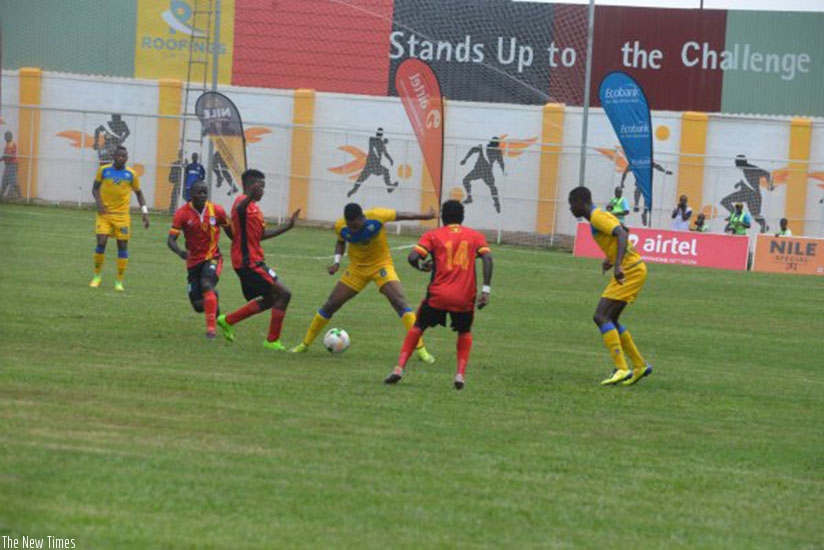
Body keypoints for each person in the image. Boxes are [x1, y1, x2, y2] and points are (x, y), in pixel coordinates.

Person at [290, 203, 437, 363]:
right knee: (331, 304)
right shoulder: (341, 225)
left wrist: (426, 216)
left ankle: (421, 350)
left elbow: (403, 214)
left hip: (381, 266)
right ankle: (304, 344)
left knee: (400, 303)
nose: (353, 230)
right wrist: (337, 262)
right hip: (357, 270)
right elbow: (340, 242)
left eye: (356, 226)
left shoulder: (377, 215)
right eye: (350, 226)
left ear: (363, 218)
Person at [384, 200, 493, 390]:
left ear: (443, 217)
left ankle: (399, 367)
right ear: (462, 217)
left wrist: (421, 266)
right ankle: (459, 374)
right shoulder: (475, 236)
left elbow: (412, 257)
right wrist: (485, 290)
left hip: (438, 294)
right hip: (464, 297)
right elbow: (488, 258)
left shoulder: (433, 235)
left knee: (418, 326)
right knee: (464, 331)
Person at [568, 186, 652, 387]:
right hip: (634, 268)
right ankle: (639, 365)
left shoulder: (597, 217)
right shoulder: (600, 216)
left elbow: (622, 236)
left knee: (600, 316)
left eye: (572, 204)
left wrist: (618, 264)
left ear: (581, 202)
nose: (570, 209)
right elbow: (624, 230)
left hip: (630, 270)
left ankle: (622, 368)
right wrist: (611, 257)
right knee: (611, 318)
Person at [215, 169, 300, 350]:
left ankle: (228, 320)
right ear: (251, 186)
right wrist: (249, 197)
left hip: (255, 260)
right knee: (285, 294)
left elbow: (261, 235)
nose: (263, 191)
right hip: (248, 262)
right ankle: (271, 341)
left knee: (272, 299)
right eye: (261, 187)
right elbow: (239, 210)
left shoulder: (255, 209)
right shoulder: (241, 203)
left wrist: (288, 226)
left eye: (264, 187)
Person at [167, 181, 233, 339]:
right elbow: (170, 240)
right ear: (191, 194)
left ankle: (211, 330)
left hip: (213, 257)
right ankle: (213, 300)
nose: (202, 195)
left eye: (205, 192)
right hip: (193, 262)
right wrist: (181, 253)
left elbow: (231, 232)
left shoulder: (217, 211)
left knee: (206, 284)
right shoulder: (182, 213)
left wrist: (239, 246)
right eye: (199, 192)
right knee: (197, 305)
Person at [89, 146, 150, 291]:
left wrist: (145, 212)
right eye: (119, 156)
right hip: (105, 214)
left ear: (127, 158)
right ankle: (97, 277)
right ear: (114, 156)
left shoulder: (131, 174)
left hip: (122, 216)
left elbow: (139, 193)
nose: (121, 158)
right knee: (101, 241)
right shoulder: (103, 170)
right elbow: (95, 188)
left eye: (124, 156)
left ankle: (119, 281)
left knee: (122, 246)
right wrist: (99, 204)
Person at [347, 128, 398, 198]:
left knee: (385, 171)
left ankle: (389, 187)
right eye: (379, 133)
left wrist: (390, 159)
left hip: (374, 166)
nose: (379, 134)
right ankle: (354, 189)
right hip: (371, 165)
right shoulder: (373, 140)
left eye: (380, 133)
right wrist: (384, 142)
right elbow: (377, 144)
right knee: (361, 178)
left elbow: (385, 153)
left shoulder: (380, 144)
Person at [461, 137, 504, 213]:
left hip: (485, 171)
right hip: (479, 170)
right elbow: (473, 150)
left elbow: (501, 162)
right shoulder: (485, 147)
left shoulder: (496, 151)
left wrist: (504, 171)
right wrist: (465, 159)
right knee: (466, 180)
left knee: (492, 187)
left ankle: (497, 203)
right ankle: (469, 198)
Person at [0, 131, 20, 200]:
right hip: (8, 165)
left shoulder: (12, 145)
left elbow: (9, 155)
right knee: (5, 181)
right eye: (6, 136)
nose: (6, 138)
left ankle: (16, 196)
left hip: (12, 165)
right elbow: (5, 155)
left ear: (10, 137)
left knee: (13, 181)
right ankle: (2, 196)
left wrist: (4, 158)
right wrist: (2, 159)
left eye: (7, 136)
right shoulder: (7, 145)